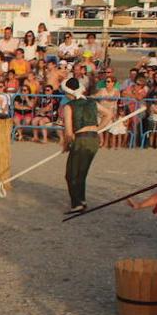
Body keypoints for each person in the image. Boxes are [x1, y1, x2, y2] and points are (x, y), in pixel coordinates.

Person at [61, 77, 100, 214]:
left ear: (68, 92)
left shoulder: (69, 106)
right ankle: (82, 201)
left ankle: (77, 204)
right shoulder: (91, 102)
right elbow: (109, 114)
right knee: (81, 172)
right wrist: (99, 128)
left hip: (81, 140)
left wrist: (66, 146)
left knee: (71, 174)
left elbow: (68, 133)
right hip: (94, 139)